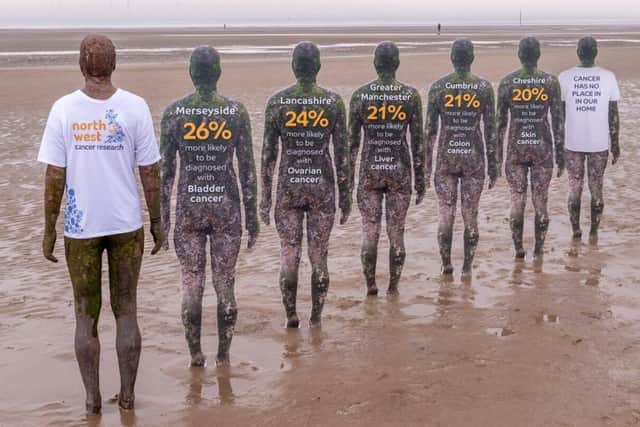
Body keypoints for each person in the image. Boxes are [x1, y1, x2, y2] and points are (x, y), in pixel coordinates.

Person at [38, 34, 164, 414]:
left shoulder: (64, 109)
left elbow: (54, 176)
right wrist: (157, 220)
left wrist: (49, 227)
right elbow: (151, 172)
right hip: (126, 222)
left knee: (84, 315)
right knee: (126, 311)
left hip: (81, 227)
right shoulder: (135, 107)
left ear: (81, 64)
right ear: (114, 64)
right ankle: (127, 396)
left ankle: (93, 400)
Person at [160, 46, 258, 367]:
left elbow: (166, 174)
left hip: (190, 207)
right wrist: (253, 214)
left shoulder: (175, 113)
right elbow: (247, 169)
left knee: (192, 282)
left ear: (191, 73)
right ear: (217, 73)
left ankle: (195, 354)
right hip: (226, 207)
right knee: (225, 283)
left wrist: (161, 218)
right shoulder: (235, 112)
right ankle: (223, 354)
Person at [260, 41, 351, 328]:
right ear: (318, 67)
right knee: (318, 255)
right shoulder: (333, 102)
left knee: (289, 253)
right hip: (321, 185)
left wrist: (264, 197)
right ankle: (316, 316)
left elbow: (268, 156)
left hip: (289, 185)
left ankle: (291, 315)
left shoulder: (278, 102)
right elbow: (342, 155)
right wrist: (346, 196)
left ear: (294, 67)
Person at [348, 41, 425, 296]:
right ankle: (393, 284)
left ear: (375, 63)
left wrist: (347, 183)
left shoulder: (360, 95)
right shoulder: (410, 95)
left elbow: (352, 146)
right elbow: (418, 142)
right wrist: (421, 178)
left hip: (370, 170)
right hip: (399, 170)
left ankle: (371, 284)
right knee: (396, 232)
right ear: (397, 64)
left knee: (370, 231)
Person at [425, 38, 497, 278]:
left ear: (452, 58)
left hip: (446, 157)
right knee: (470, 214)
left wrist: (425, 167)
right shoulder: (484, 87)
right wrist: (494, 164)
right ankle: (466, 266)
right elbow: (490, 130)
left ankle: (446, 263)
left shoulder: (438, 87)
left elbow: (430, 133)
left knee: (446, 213)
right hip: (473, 157)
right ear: (472, 58)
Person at [497, 36, 564, 261]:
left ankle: (518, 249)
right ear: (538, 55)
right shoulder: (550, 82)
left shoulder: (508, 82)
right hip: (542, 146)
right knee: (540, 199)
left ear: (519, 55)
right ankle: (538, 249)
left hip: (516, 147)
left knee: (517, 199)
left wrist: (497, 155)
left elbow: (500, 125)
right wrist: (561, 153)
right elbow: (558, 121)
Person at [559, 36, 620, 243]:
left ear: (578, 52)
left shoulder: (565, 77)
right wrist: (616, 143)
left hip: (572, 143)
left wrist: (559, 144)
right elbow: (613, 115)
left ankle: (576, 228)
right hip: (599, 143)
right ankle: (594, 229)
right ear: (596, 52)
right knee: (596, 186)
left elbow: (561, 117)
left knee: (574, 186)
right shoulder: (608, 76)